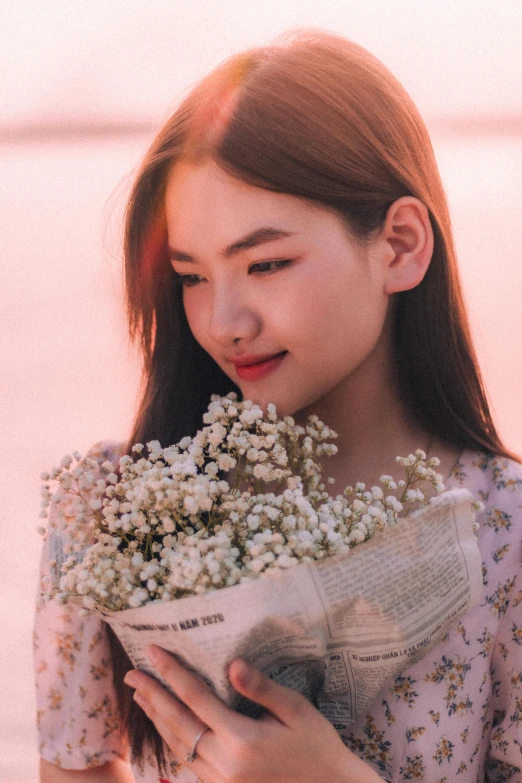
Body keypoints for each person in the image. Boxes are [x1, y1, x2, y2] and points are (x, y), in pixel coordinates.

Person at [34, 28, 522, 783]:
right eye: (192, 276)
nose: (225, 321)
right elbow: (77, 766)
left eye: (266, 263)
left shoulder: (506, 531)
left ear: (398, 245)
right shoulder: (111, 512)